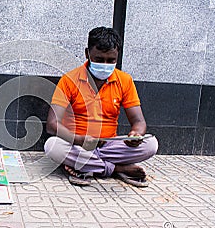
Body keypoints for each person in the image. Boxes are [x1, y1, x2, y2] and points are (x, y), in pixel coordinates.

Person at [44, 27, 158, 187]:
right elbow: (51, 124)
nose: (105, 65)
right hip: (78, 145)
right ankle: (117, 168)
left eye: (111, 60)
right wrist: (79, 140)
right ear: (87, 54)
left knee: (151, 144)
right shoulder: (69, 80)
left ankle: (87, 167)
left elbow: (139, 121)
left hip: (109, 145)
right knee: (52, 146)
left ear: (117, 56)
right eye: (99, 59)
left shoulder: (125, 80)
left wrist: (136, 136)